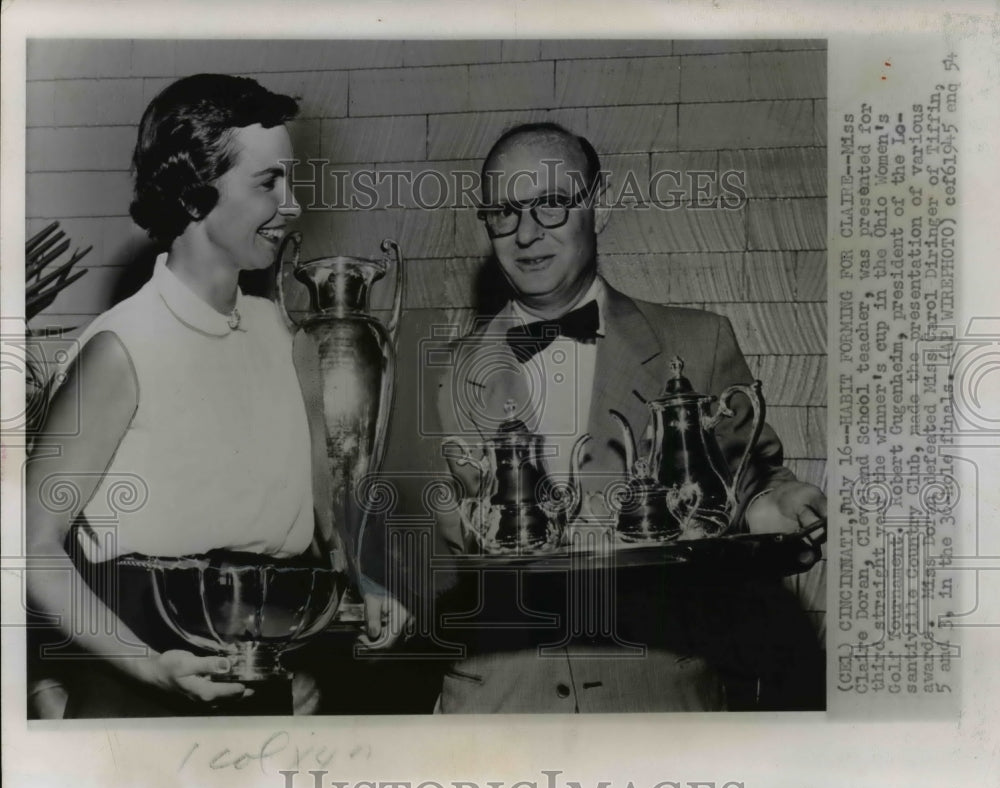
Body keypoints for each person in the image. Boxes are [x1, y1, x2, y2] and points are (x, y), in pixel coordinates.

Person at [25, 74, 406, 718]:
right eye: (267, 184)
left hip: (261, 680)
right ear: (194, 193)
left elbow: (322, 517)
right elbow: (31, 543)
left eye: (291, 182)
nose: (292, 207)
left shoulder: (285, 336)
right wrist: (148, 667)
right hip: (137, 695)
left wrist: (360, 584)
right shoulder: (119, 349)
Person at [431, 122, 827, 713]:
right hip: (497, 713)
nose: (527, 233)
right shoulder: (441, 372)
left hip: (658, 702)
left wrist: (781, 504)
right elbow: (419, 535)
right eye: (505, 211)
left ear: (600, 206)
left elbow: (749, 487)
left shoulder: (698, 340)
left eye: (553, 205)